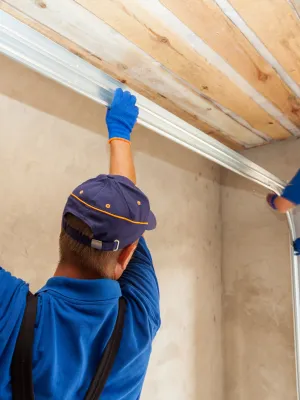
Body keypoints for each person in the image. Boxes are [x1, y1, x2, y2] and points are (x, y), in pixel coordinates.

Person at [0, 88, 161, 399]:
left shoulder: (11, 312)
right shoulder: (140, 314)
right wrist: (120, 134)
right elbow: (126, 211)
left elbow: (126, 215)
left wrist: (121, 135)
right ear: (128, 253)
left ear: (62, 229)